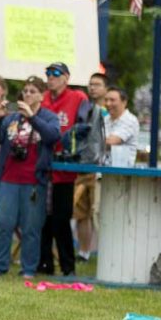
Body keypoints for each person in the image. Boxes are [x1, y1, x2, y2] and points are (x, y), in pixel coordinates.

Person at [0, 77, 61, 278]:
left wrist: (32, 117)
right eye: (25, 91)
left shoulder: (49, 117)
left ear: (41, 95)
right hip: (8, 178)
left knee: (31, 227)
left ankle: (28, 269)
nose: (27, 94)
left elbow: (53, 136)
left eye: (32, 91)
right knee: (2, 223)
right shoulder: (12, 117)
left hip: (34, 181)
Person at [38, 62, 91, 276]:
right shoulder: (43, 99)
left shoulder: (78, 98)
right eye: (48, 73)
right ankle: (45, 265)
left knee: (61, 219)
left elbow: (85, 126)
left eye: (56, 73)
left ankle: (68, 268)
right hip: (43, 166)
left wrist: (71, 142)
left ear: (66, 77)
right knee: (43, 221)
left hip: (64, 169)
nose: (51, 77)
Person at [73, 71, 109, 260]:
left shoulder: (109, 112)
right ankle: (84, 251)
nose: (92, 88)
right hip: (83, 165)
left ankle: (105, 252)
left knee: (98, 212)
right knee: (81, 212)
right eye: (90, 84)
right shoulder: (84, 110)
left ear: (106, 89)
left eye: (97, 84)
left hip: (100, 168)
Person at [103, 87, 138, 166]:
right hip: (103, 170)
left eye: (112, 100)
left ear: (124, 102)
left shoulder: (130, 120)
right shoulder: (105, 119)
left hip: (122, 173)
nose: (108, 103)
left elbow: (111, 141)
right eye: (106, 100)